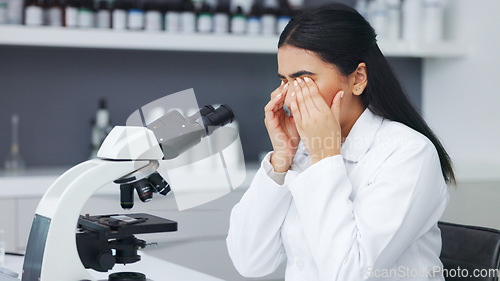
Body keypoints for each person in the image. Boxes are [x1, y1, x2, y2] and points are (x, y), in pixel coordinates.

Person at [226, 2, 455, 281]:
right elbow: (249, 262)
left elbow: (349, 273)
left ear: (358, 78)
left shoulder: (409, 153)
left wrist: (325, 155)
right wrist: (281, 158)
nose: (288, 96)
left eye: (303, 80)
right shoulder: (302, 151)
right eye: (284, 81)